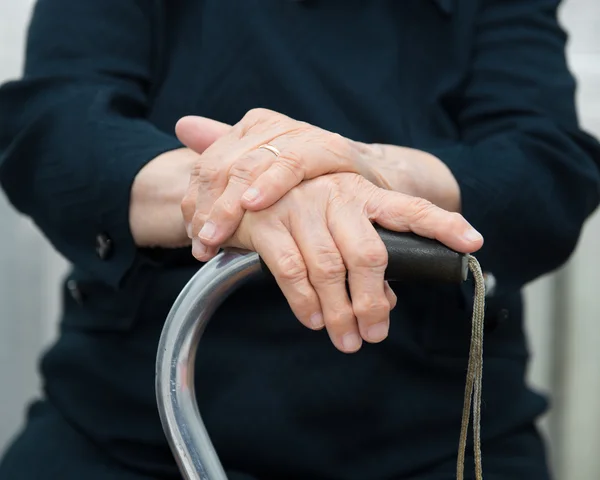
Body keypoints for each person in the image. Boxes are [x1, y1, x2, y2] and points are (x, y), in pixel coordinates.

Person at [0, 0, 599, 478]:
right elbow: (58, 128)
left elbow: (543, 169)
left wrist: (370, 169)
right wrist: (246, 189)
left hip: (436, 434)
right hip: (130, 426)